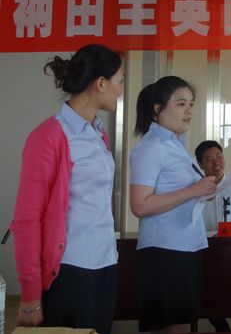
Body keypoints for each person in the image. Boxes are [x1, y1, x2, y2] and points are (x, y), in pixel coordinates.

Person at [11, 44, 124, 334]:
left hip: (106, 263)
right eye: (120, 81)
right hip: (70, 271)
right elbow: (26, 219)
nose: (120, 89)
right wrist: (30, 298)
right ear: (101, 83)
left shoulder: (97, 133)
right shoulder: (48, 136)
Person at [129, 76, 217, 333]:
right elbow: (140, 205)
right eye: (180, 104)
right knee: (172, 326)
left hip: (183, 245)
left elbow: (180, 194)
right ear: (158, 109)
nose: (189, 111)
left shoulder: (176, 144)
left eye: (191, 104)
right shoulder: (152, 146)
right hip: (164, 249)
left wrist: (202, 192)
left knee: (181, 323)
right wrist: (193, 190)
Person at [194, 140, 231, 332]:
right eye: (209, 159)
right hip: (204, 253)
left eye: (219, 156)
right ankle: (221, 327)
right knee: (206, 291)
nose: (216, 162)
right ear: (200, 164)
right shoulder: (194, 191)